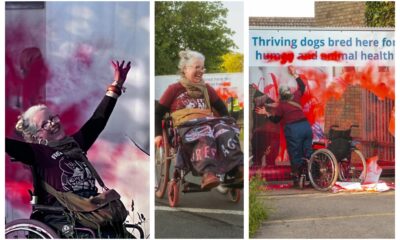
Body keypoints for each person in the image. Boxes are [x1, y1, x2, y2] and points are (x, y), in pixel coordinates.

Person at [6, 60, 131, 238]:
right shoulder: (38, 153)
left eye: (53, 118)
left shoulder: (75, 144)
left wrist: (116, 85)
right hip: (64, 217)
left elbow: (98, 120)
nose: (53, 123)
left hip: (91, 210)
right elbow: (8, 145)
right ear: (37, 136)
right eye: (45, 124)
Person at [155, 49, 243, 190]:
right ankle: (208, 173)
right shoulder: (174, 89)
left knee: (225, 131)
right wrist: (158, 134)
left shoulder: (206, 89)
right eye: (197, 67)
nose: (201, 71)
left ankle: (238, 168)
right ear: (185, 69)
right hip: (187, 125)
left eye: (202, 67)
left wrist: (228, 123)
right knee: (205, 133)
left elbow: (222, 109)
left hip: (209, 122)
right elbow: (157, 113)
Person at [255, 66, 312, 187]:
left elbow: (276, 120)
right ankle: (313, 177)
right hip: (306, 127)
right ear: (289, 92)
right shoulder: (296, 96)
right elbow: (302, 86)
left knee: (295, 154)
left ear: (280, 94)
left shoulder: (281, 105)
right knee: (308, 153)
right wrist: (295, 73)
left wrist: (266, 113)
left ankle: (297, 179)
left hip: (294, 130)